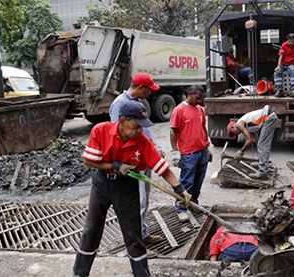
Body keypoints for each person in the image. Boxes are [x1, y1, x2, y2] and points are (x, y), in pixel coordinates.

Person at [74, 101, 192, 277]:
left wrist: (179, 188)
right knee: (91, 230)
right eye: (136, 126)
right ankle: (79, 274)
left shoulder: (141, 141)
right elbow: (88, 160)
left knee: (133, 234)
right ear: (122, 120)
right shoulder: (101, 130)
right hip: (102, 184)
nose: (139, 131)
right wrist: (115, 165)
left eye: (141, 127)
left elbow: (162, 168)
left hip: (126, 187)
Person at [109, 72, 163, 253]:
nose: (150, 93)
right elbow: (119, 134)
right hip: (132, 161)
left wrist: (153, 148)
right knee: (136, 201)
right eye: (149, 89)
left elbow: (143, 131)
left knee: (144, 199)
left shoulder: (137, 104)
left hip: (143, 157)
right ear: (140, 88)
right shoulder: (119, 104)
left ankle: (143, 233)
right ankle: (136, 244)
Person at [169, 85, 212, 222]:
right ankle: (181, 208)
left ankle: (193, 203)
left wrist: (207, 146)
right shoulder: (179, 110)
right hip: (188, 153)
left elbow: (203, 128)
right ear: (189, 94)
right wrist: (175, 151)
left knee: (198, 181)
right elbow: (173, 131)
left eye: (201, 98)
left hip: (202, 151)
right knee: (187, 181)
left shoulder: (199, 109)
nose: (199, 100)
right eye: (197, 97)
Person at [227, 105, 277, 179]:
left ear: (233, 126)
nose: (235, 134)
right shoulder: (247, 127)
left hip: (268, 117)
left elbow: (249, 141)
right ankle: (262, 164)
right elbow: (257, 140)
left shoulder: (240, 124)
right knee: (261, 144)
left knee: (263, 145)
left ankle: (263, 172)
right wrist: (260, 149)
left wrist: (240, 152)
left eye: (233, 132)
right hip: (269, 116)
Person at [274, 33, 294, 97]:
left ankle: (293, 89)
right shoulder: (284, 45)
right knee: (277, 72)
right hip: (283, 64)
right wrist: (278, 66)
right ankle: (279, 90)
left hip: (292, 64)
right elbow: (281, 56)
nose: (290, 43)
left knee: (292, 69)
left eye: (292, 41)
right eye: (289, 41)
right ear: (287, 40)